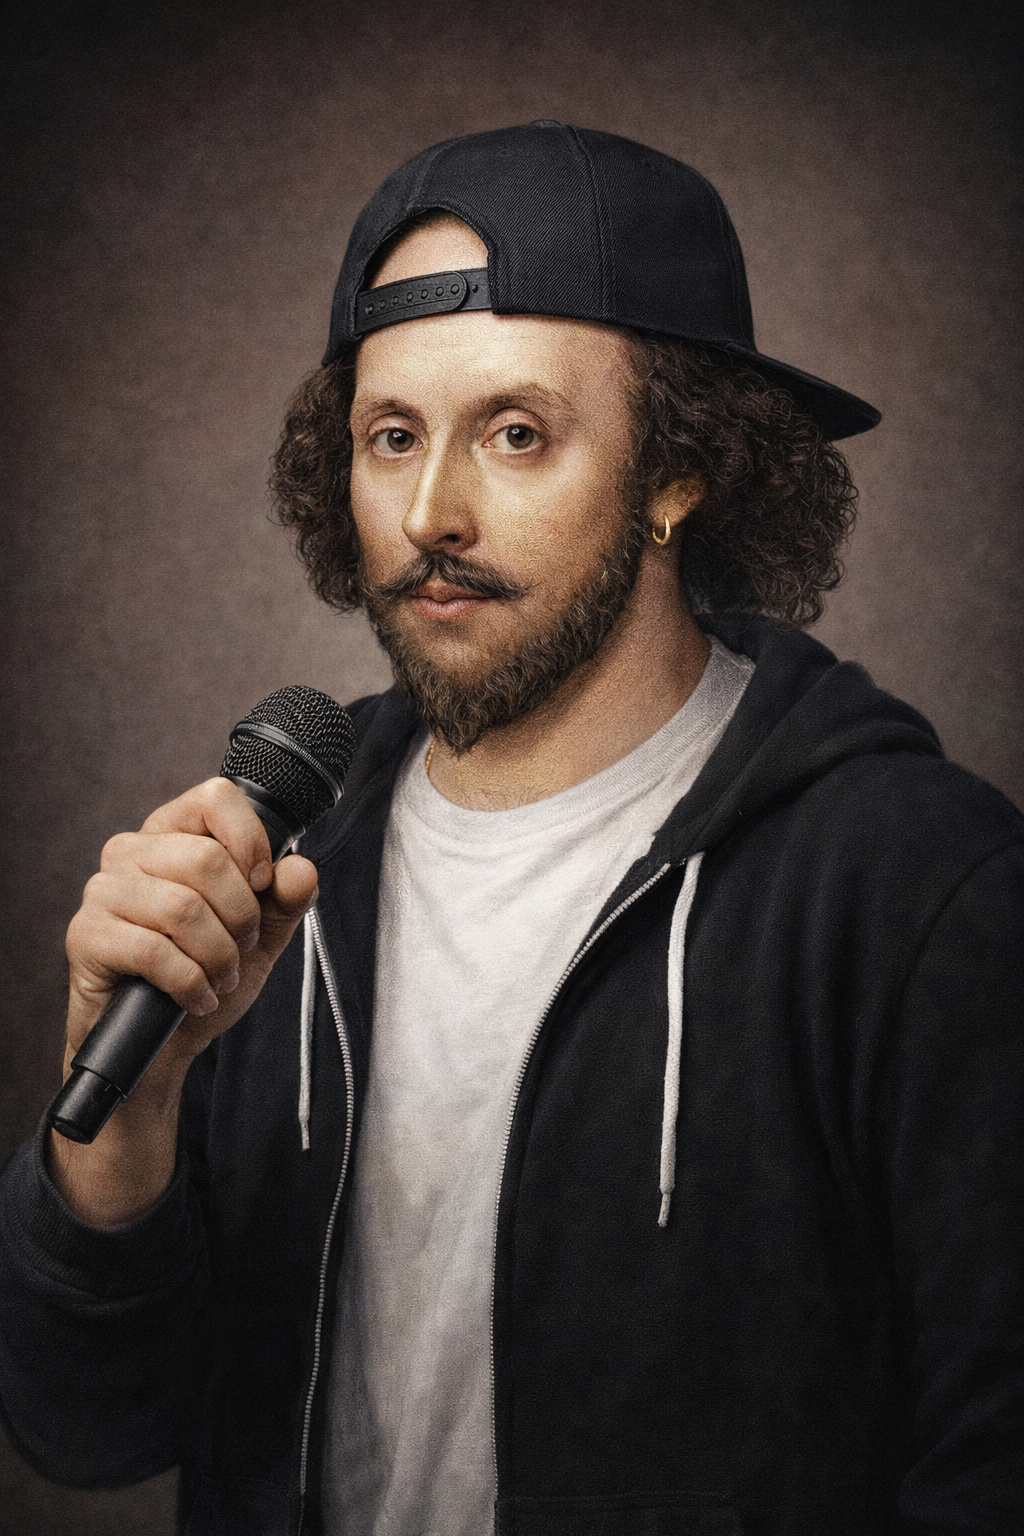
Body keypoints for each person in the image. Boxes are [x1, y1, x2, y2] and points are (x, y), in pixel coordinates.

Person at [0, 121, 1021, 1536]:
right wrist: (127, 1119)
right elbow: (83, 1429)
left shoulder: (921, 890)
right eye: (391, 436)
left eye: (517, 433)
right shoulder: (276, 864)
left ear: (679, 471)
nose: (431, 513)